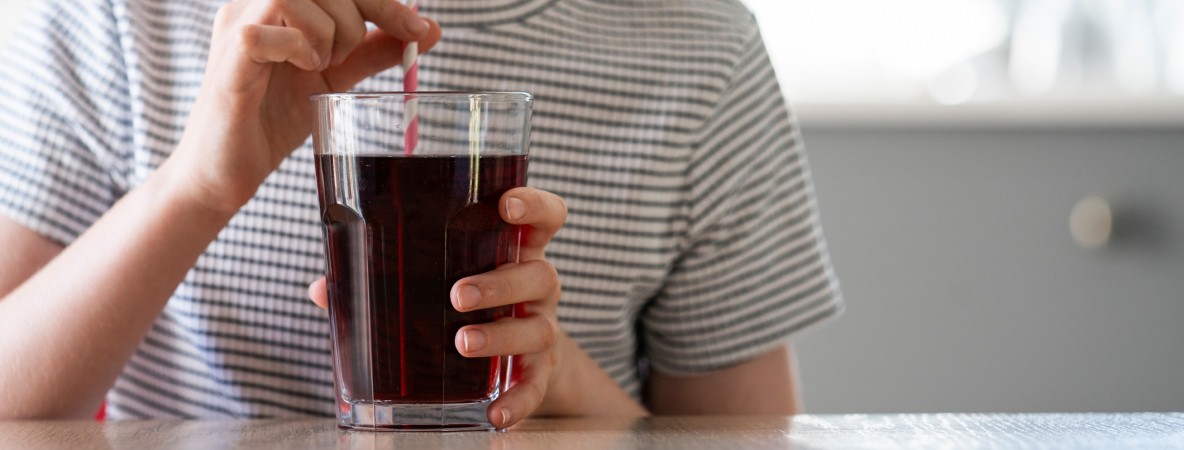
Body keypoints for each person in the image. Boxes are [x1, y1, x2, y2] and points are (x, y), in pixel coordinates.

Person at [0, 0, 843, 426]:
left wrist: (556, 384)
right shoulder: (121, 15)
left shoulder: (702, 47)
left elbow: (745, 437)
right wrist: (196, 187)